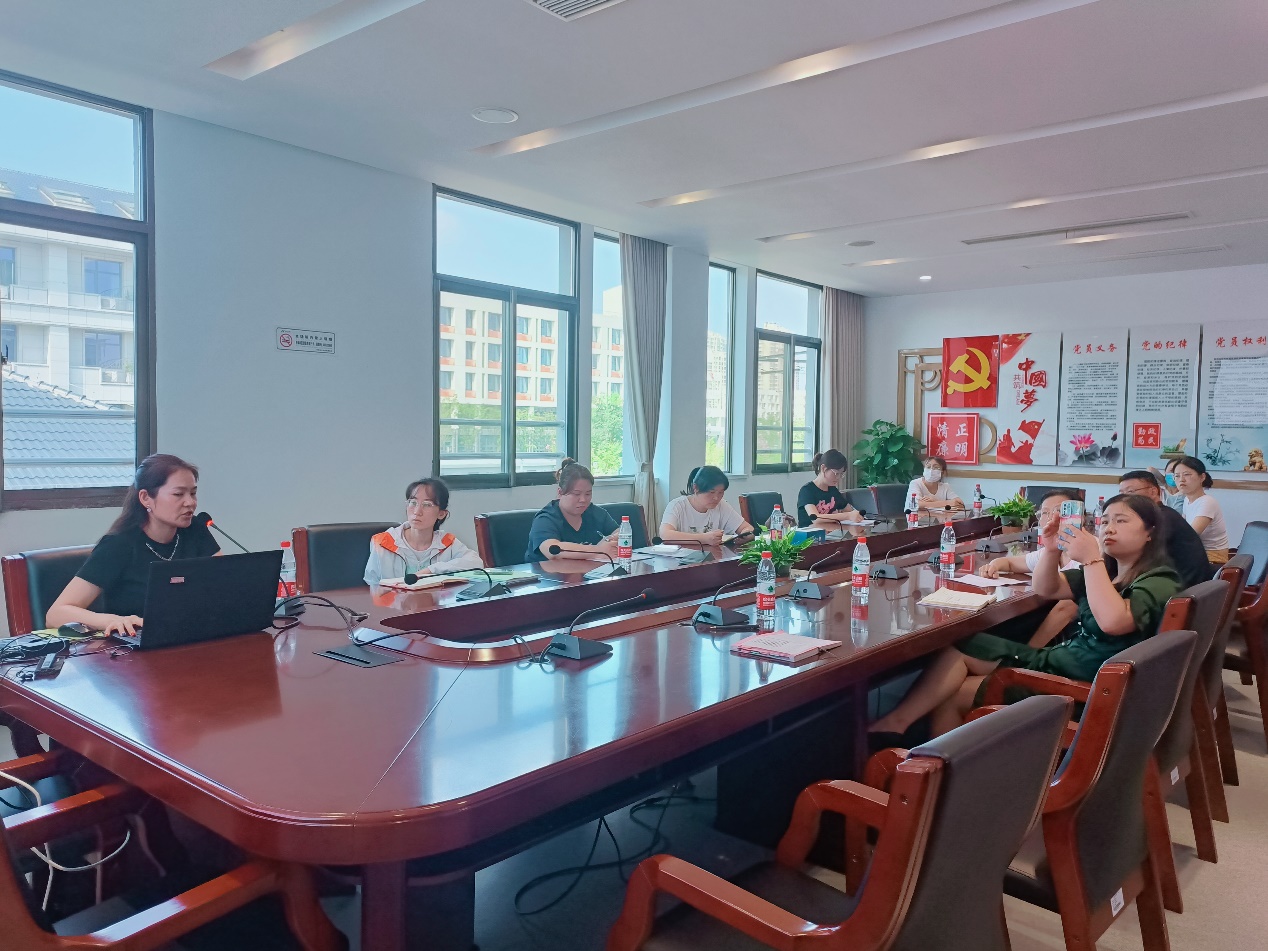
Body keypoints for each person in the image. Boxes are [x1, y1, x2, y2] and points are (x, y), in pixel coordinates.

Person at [870, 494, 1179, 738]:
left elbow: (1113, 621)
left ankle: (951, 782)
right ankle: (899, 722)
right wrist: (1051, 549)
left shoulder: (1159, 579)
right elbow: (1046, 587)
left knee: (952, 694)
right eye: (1105, 520)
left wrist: (1092, 560)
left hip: (1084, 688)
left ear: (1150, 533)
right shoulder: (1109, 573)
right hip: (1061, 664)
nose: (1108, 528)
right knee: (965, 644)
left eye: (1121, 521)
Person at [46, 454, 220, 636]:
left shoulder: (196, 530)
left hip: (190, 636)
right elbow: (55, 614)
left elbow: (224, 587)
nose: (190, 502)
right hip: (135, 644)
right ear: (145, 498)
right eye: (178, 494)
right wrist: (112, 621)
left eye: (193, 493)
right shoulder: (119, 545)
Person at [364, 477, 484, 585]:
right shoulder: (383, 542)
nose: (417, 511)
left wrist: (431, 570)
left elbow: (476, 563)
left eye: (427, 505)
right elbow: (371, 588)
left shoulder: (446, 543)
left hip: (434, 602)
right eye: (413, 503)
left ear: (441, 514)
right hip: (392, 602)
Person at [1116, 469, 1213, 586]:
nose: (1124, 498)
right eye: (1121, 493)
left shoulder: (1162, 518)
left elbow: (1140, 554)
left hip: (1182, 588)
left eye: (1130, 492)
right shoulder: (1159, 514)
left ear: (1153, 491)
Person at [526, 458, 619, 563]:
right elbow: (552, 550)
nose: (583, 500)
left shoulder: (595, 512)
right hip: (547, 573)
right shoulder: (545, 518)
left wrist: (609, 540)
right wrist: (598, 550)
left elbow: (621, 533)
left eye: (588, 494)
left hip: (588, 571)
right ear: (560, 492)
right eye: (576, 494)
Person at [659, 466, 754, 545]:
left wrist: (746, 535)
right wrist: (703, 539)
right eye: (711, 492)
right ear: (695, 488)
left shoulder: (721, 505)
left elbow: (746, 527)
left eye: (721, 492)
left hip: (714, 557)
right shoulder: (677, 506)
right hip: (682, 559)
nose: (716, 498)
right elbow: (665, 535)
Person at [1173, 455, 1230, 564]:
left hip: (1212, 560)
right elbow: (1181, 528)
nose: (1181, 479)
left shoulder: (1207, 502)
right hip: (1195, 554)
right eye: (1177, 476)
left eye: (1187, 474)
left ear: (1202, 477)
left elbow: (1190, 535)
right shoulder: (1187, 500)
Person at [796, 449, 862, 528]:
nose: (838, 477)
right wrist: (847, 516)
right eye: (836, 473)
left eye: (841, 474)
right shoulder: (807, 490)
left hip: (830, 534)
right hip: (809, 534)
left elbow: (849, 510)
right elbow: (815, 518)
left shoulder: (833, 490)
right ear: (823, 468)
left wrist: (857, 515)